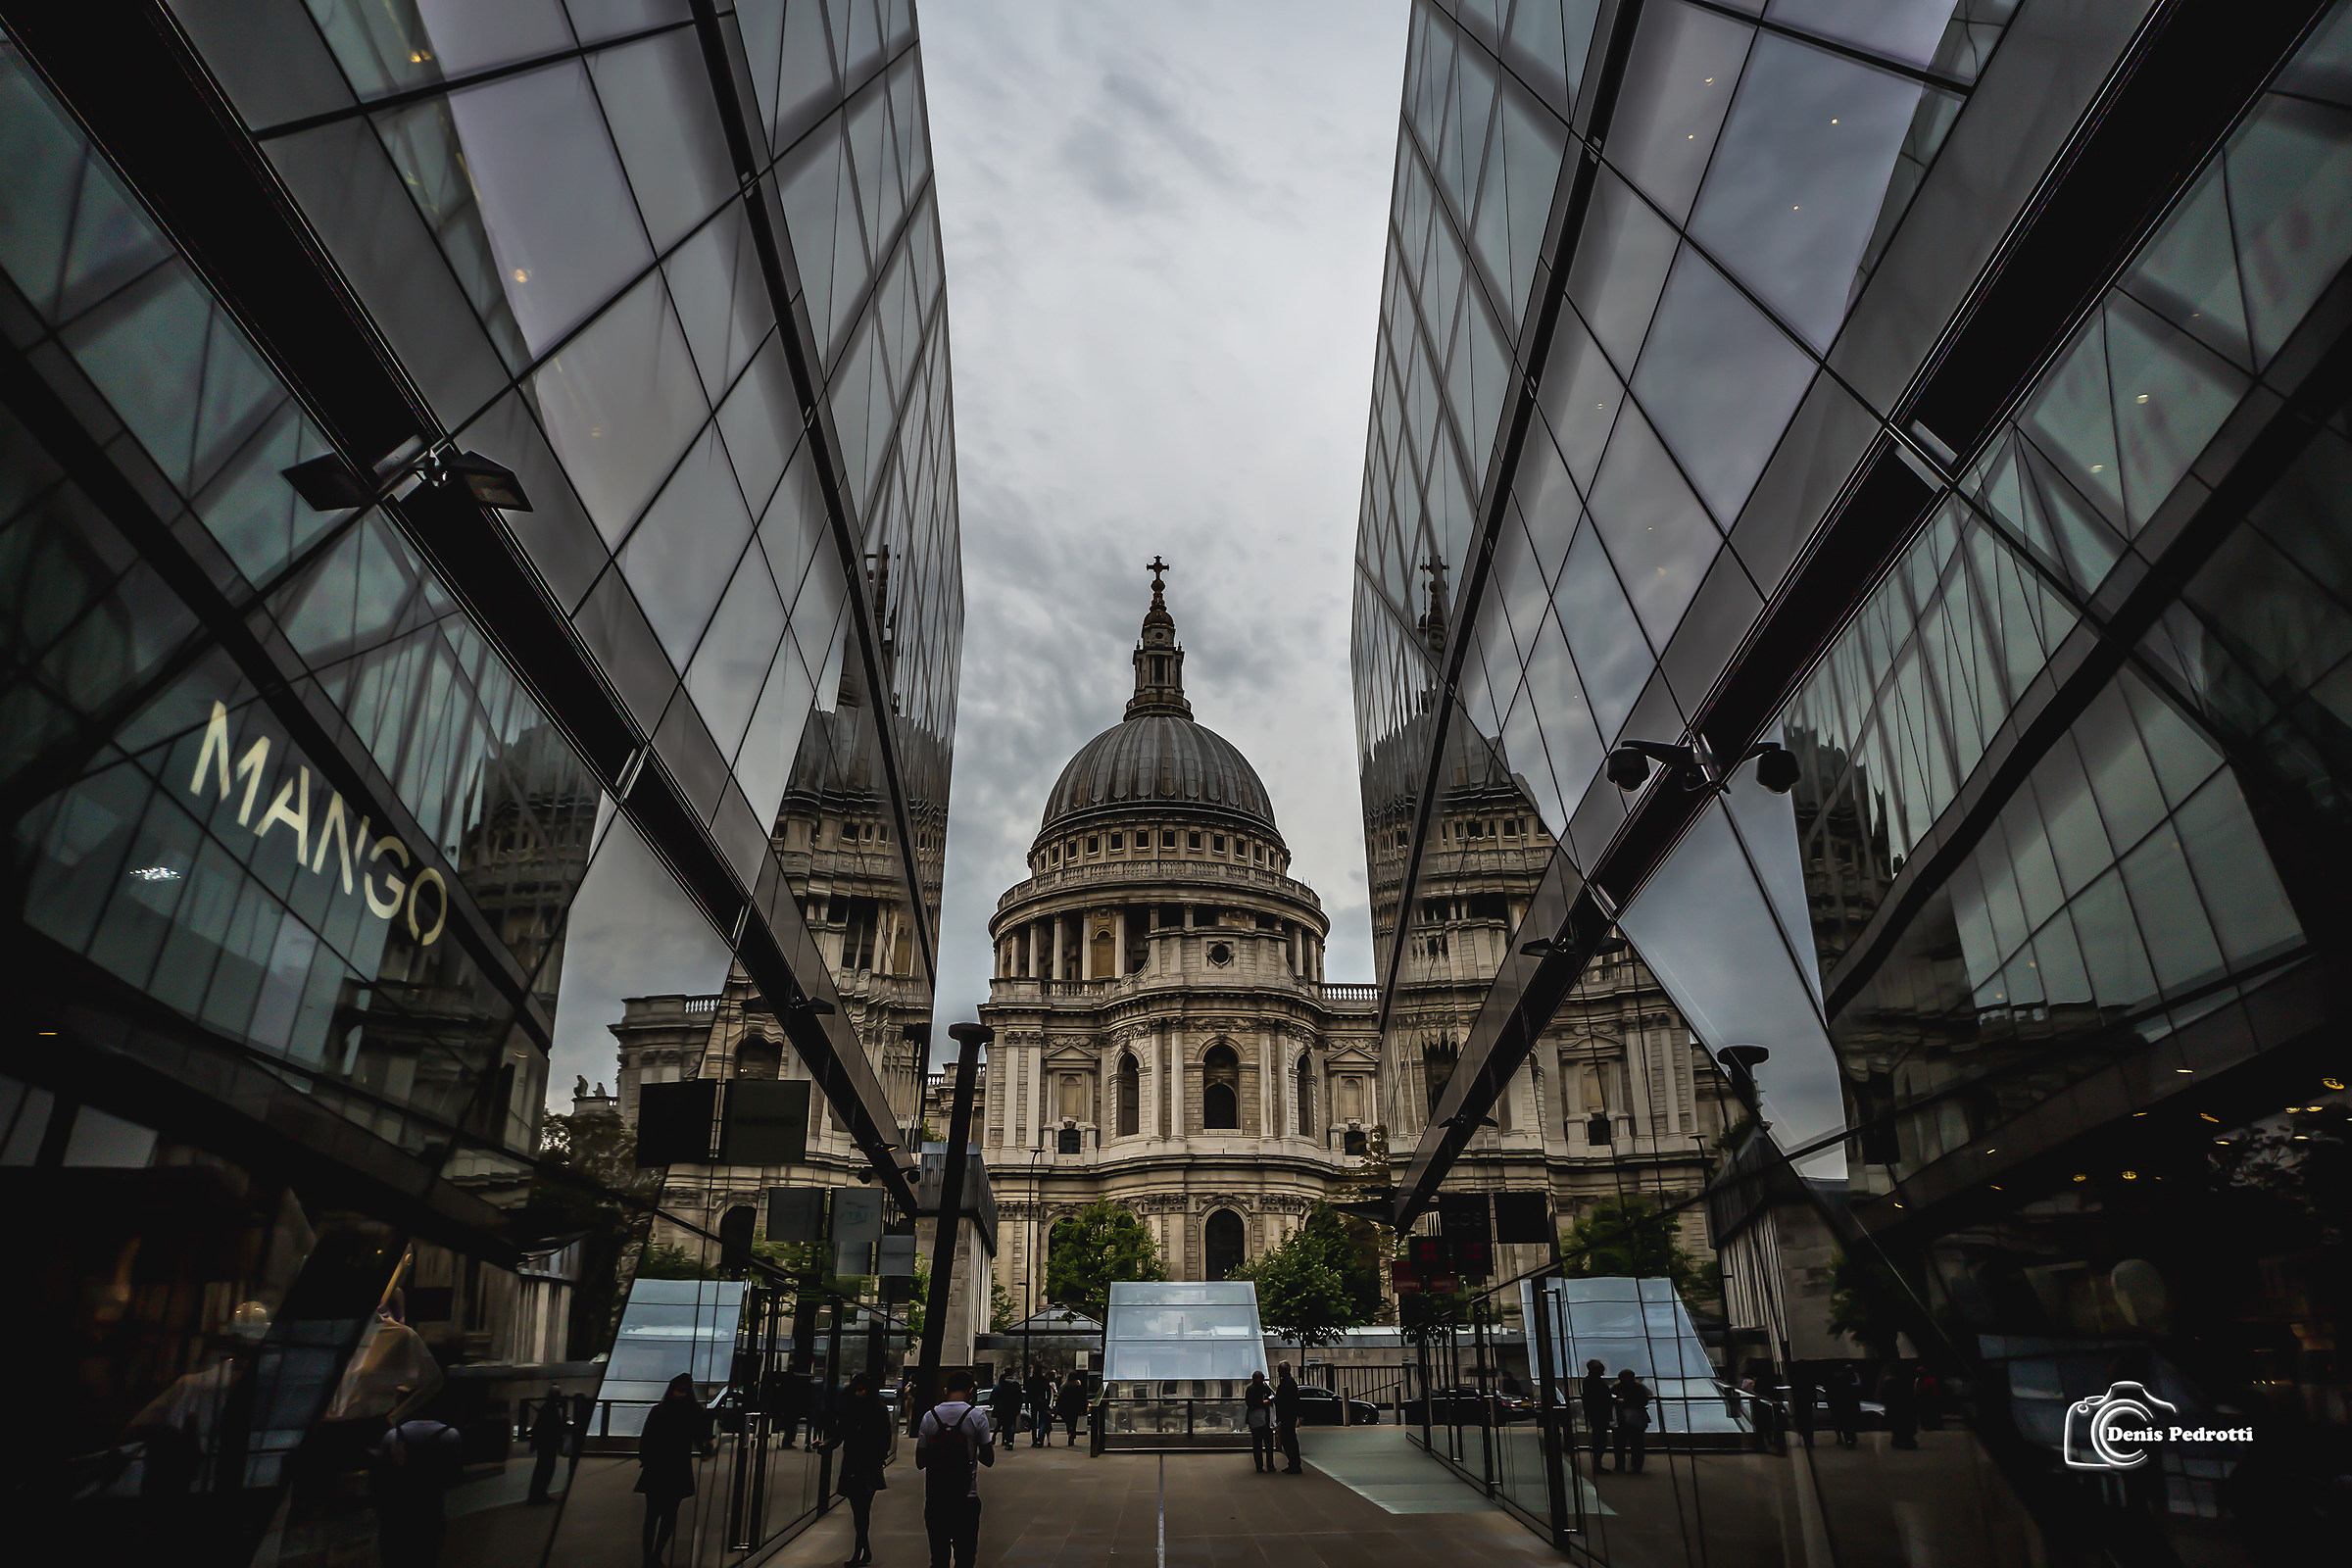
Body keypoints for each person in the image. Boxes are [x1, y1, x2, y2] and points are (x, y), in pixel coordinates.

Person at [915, 1369, 994, 1568]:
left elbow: (920, 1461)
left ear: (946, 1391)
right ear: (970, 1392)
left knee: (939, 1558)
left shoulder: (929, 1417)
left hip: (936, 1497)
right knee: (965, 1558)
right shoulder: (976, 1416)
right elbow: (988, 1458)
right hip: (966, 1496)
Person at [637, 1373, 715, 1567]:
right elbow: (701, 1438)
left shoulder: (659, 1411)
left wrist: (645, 1459)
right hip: (678, 1467)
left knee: (653, 1515)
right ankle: (655, 1556)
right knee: (668, 1514)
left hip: (657, 1467)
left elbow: (646, 1437)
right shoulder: (692, 1413)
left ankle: (649, 1558)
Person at [373, 1399, 464, 1568]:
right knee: (427, 1555)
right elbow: (454, 1475)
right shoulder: (450, 1434)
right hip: (431, 1505)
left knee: (396, 1557)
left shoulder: (393, 1435)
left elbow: (380, 1474)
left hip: (398, 1508)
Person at [825, 1374, 892, 1568]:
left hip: (866, 1464)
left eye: (861, 1389)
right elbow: (838, 1436)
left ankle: (860, 1552)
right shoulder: (854, 1410)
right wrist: (826, 1445)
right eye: (856, 1389)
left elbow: (885, 1439)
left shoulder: (876, 1410)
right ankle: (864, 1550)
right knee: (859, 1510)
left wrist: (878, 1457)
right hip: (858, 1464)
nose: (858, 1393)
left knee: (861, 1510)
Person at [526, 1384, 570, 1503]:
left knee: (542, 1468)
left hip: (544, 1444)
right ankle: (539, 1495)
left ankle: (537, 1495)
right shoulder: (552, 1409)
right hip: (548, 1444)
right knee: (546, 1469)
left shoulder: (547, 1408)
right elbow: (553, 1428)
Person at [1611, 1370, 1650, 1475]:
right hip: (1636, 1419)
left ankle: (1620, 1466)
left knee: (1619, 1445)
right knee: (1637, 1444)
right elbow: (1644, 1401)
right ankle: (1637, 1466)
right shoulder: (1639, 1388)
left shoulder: (1616, 1388)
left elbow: (1611, 1400)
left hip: (1620, 1419)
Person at [1579, 1359, 1614, 1471]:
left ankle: (1598, 1463)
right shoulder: (1595, 1382)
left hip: (1596, 1413)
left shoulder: (1589, 1381)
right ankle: (1598, 1465)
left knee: (1599, 1438)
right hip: (1599, 1414)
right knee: (1600, 1439)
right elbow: (1602, 1398)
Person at [1273, 1362, 1302, 1474]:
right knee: (1290, 1439)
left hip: (1287, 1415)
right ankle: (1294, 1463)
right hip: (1289, 1415)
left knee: (1288, 1439)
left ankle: (1294, 1464)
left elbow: (1287, 1400)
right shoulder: (1290, 1382)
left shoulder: (1287, 1383)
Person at [1245, 1369, 1275, 1472]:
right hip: (1264, 1419)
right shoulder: (1262, 1388)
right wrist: (1265, 1402)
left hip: (1258, 1420)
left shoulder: (1251, 1388)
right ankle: (1269, 1466)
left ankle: (1260, 1466)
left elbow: (1250, 1403)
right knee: (1267, 1444)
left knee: (1257, 1444)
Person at [989, 1369, 1025, 1454]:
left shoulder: (1001, 1385)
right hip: (1013, 1408)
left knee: (1003, 1424)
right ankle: (1010, 1441)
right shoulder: (1016, 1385)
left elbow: (994, 1397)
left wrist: (993, 1404)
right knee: (1012, 1424)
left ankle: (1004, 1439)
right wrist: (1018, 1408)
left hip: (1003, 1408)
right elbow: (1020, 1398)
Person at [1825, 1365, 1861, 1448]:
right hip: (1846, 1405)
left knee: (1841, 1422)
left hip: (1839, 1405)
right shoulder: (1848, 1382)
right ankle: (1849, 1439)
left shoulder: (1834, 1382)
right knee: (1848, 1423)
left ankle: (1844, 1438)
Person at [1055, 1370, 1087, 1446]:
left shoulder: (1065, 1387)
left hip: (1066, 1407)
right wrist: (1083, 1408)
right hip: (1075, 1407)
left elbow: (1061, 1398)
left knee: (1068, 1422)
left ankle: (1069, 1432)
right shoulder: (1078, 1387)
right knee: (1074, 1421)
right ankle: (1072, 1434)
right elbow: (1082, 1399)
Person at [1025, 1368, 1054, 1448]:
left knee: (1033, 1421)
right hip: (1042, 1402)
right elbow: (1048, 1391)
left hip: (1033, 1401)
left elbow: (1028, 1392)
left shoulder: (1031, 1379)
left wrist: (1027, 1402)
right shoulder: (1044, 1380)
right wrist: (1047, 1402)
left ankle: (1034, 1440)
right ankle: (1040, 1439)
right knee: (1042, 1421)